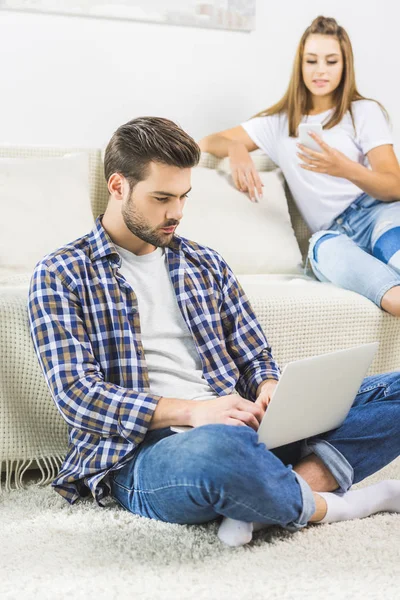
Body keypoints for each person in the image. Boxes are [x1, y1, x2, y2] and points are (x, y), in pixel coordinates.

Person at [28, 116, 400, 548]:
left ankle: (268, 497)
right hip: (149, 451)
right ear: (118, 186)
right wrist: (193, 412)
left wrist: (269, 386)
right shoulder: (60, 274)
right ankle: (340, 505)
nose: (177, 213)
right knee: (220, 454)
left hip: (245, 426)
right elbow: (78, 396)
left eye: (184, 196)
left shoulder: (207, 264)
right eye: (162, 197)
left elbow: (256, 354)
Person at [199, 15, 400, 317]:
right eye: (312, 61)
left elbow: (394, 185)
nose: (321, 70)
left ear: (345, 66)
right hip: (332, 233)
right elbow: (209, 140)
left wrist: (344, 167)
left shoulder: (363, 112)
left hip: (376, 212)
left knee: (393, 248)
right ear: (300, 65)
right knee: (323, 251)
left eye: (331, 61)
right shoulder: (280, 124)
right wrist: (236, 147)